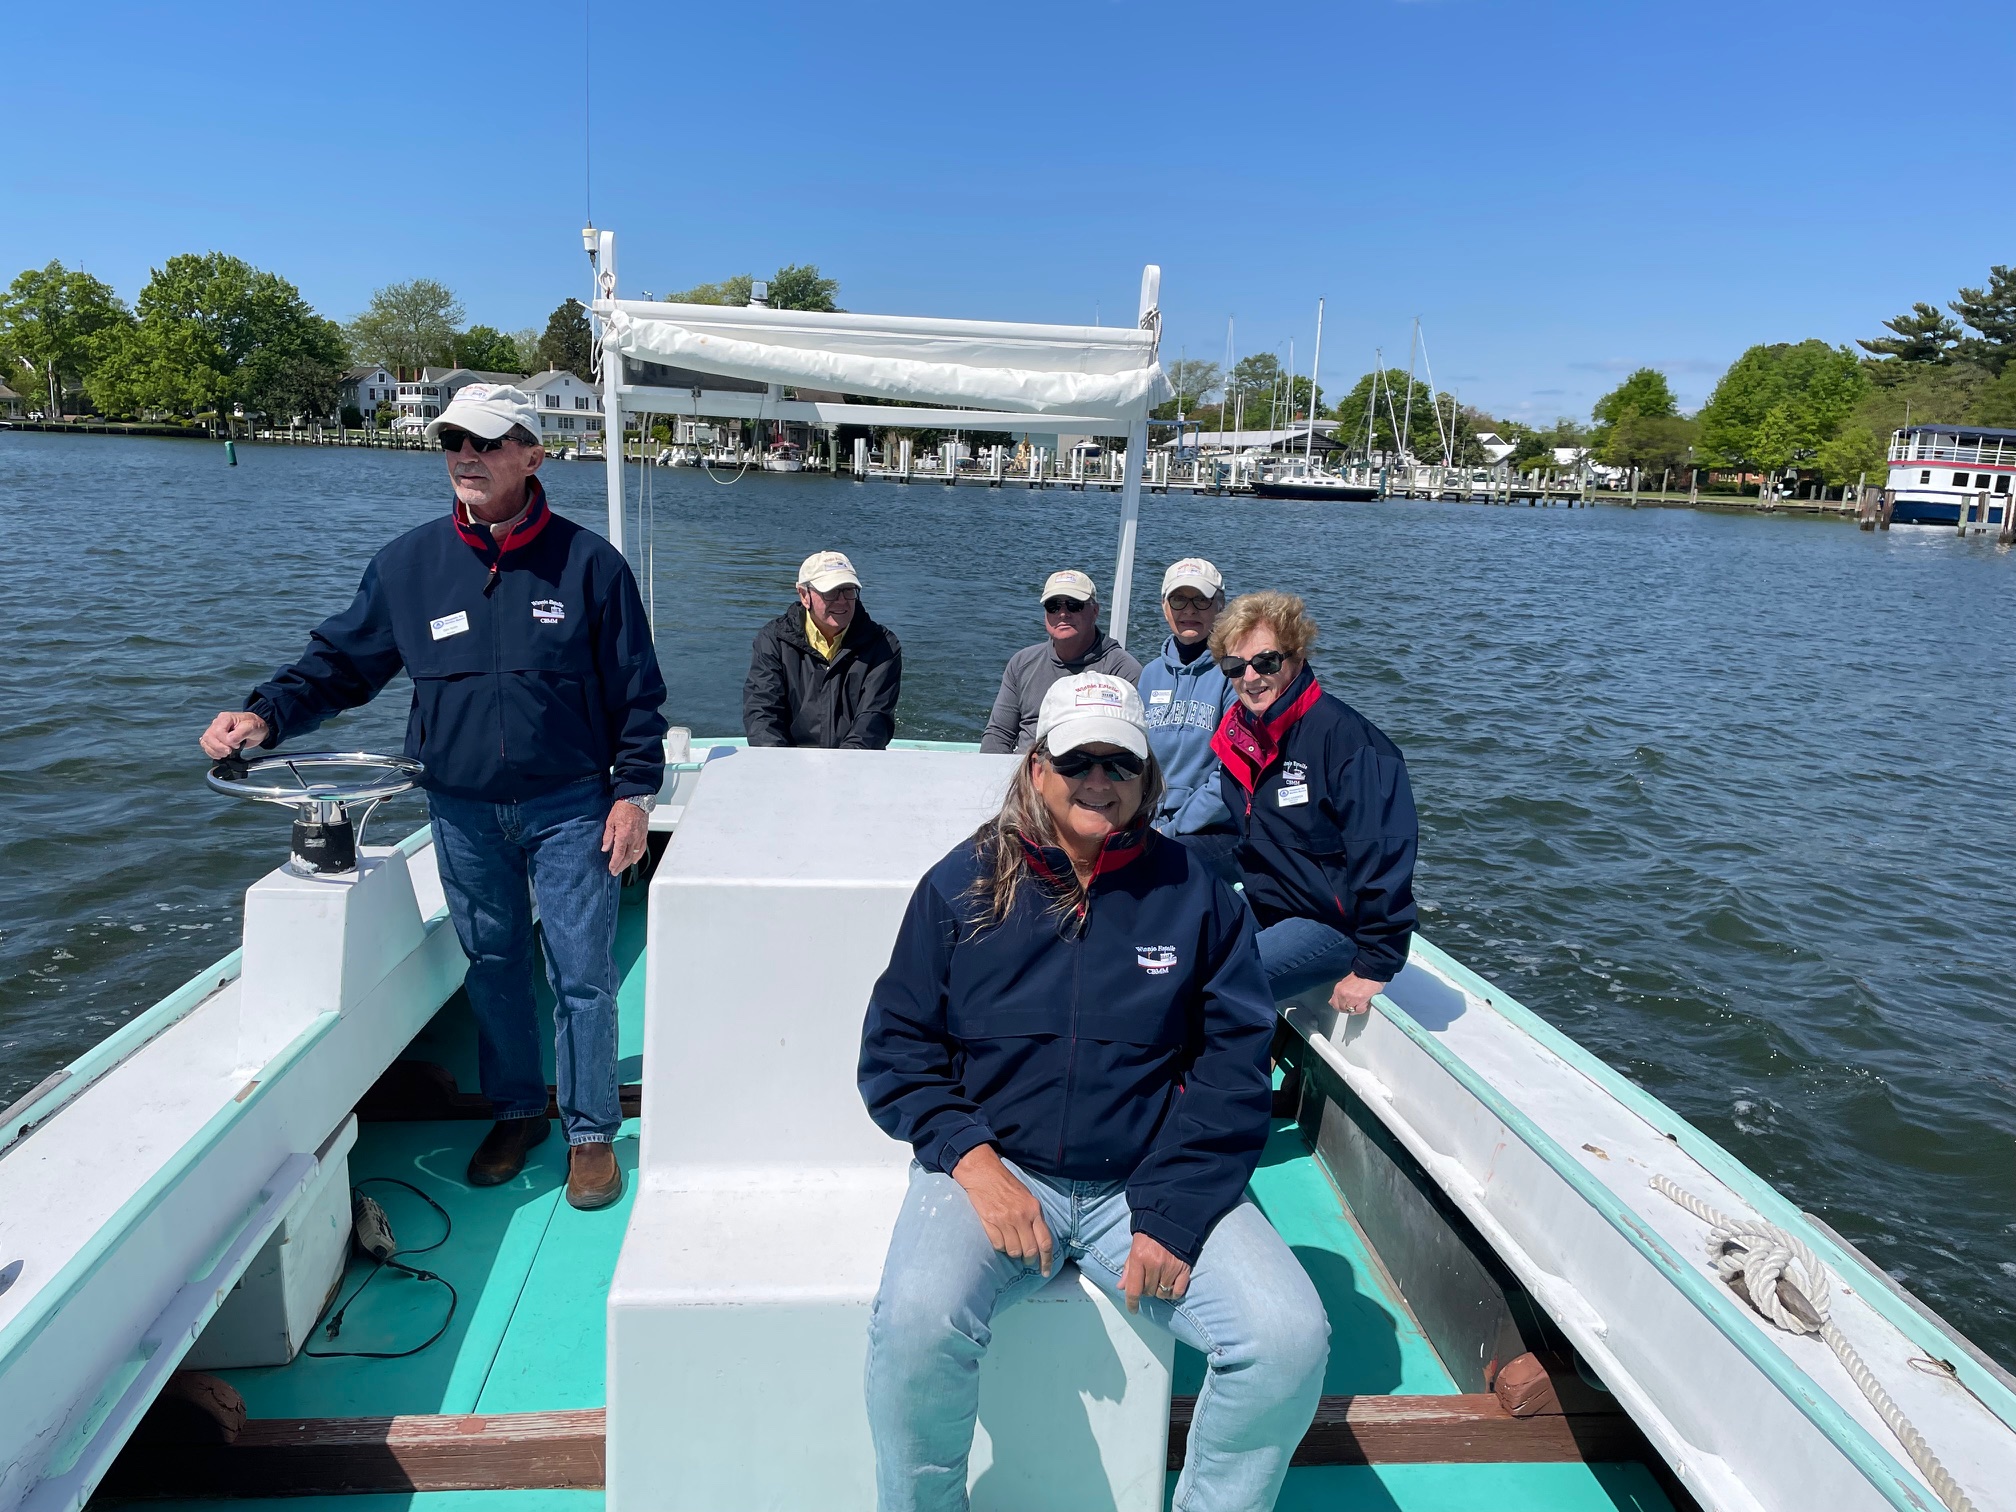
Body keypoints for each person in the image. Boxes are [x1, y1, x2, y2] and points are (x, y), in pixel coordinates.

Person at [858, 671, 1329, 1512]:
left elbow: (1232, 1066)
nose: (1099, 781)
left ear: (1149, 778)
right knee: (914, 1328)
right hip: (997, 1169)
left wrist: (1176, 1210)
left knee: (1289, 1339)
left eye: (1121, 763)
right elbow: (896, 1052)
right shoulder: (959, 885)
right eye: (1079, 761)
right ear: (1038, 767)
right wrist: (973, 1164)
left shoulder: (1197, 897)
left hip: (1148, 1180)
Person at [197, 383, 667, 1210]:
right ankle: (518, 1111)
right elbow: (340, 666)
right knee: (492, 964)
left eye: (487, 443)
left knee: (583, 972)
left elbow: (637, 694)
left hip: (570, 806)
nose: (467, 456)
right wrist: (265, 716)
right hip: (460, 810)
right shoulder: (408, 566)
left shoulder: (592, 565)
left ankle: (589, 1131)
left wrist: (633, 794)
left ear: (532, 454)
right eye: (454, 440)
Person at [1208, 591, 1417, 1018]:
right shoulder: (1240, 738)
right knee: (1168, 955)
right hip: (1270, 905)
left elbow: (1384, 852)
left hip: (1334, 925)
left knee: (1214, 987)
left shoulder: (1347, 743)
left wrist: (1374, 965)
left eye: (1265, 662)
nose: (1250, 678)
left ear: (1296, 658)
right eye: (1235, 666)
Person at [1136, 557, 1238, 875]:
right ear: (1165, 606)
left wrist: (1172, 829)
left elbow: (1231, 774)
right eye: (1179, 599)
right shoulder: (1150, 675)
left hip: (1212, 829)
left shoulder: (1235, 673)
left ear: (1220, 606)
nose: (1189, 610)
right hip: (1150, 821)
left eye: (1201, 599)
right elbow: (1136, 761)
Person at [743, 550, 903, 749]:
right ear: (804, 595)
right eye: (831, 592)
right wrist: (780, 764)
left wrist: (843, 765)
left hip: (856, 763)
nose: (842, 600)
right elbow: (763, 711)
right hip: (789, 763)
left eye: (848, 590)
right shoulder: (773, 640)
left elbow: (873, 719)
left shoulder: (883, 645)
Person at [978, 570, 1141, 753]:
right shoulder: (1021, 663)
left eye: (1074, 605)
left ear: (1095, 611)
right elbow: (999, 733)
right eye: (1053, 606)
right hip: (1024, 772)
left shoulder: (1123, 671)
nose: (1063, 614)